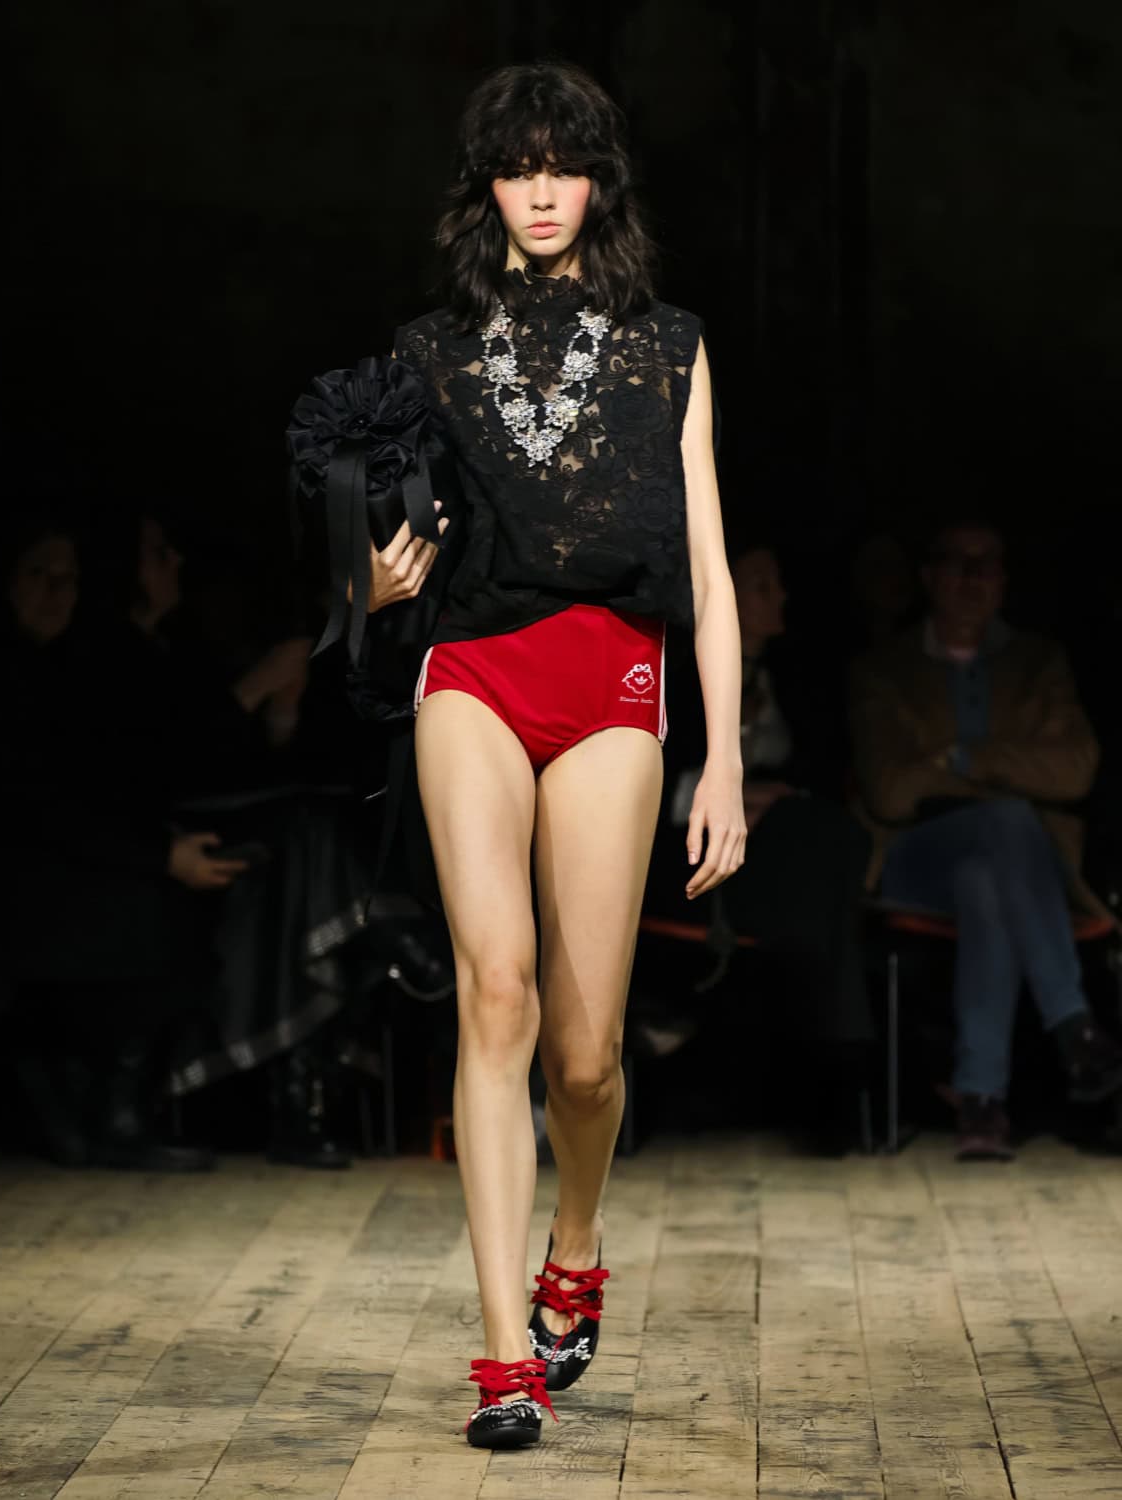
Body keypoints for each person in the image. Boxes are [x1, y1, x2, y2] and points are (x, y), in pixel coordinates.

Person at [338, 62, 747, 1447]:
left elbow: (708, 569)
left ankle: (575, 1244)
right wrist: (365, 587)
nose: (542, 191)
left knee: (583, 1058)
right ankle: (504, 1356)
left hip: (614, 680)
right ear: (488, 189)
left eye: (562, 165)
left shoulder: (671, 346)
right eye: (517, 168)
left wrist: (724, 760)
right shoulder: (427, 351)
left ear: (597, 182)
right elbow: (369, 545)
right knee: (496, 993)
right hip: (474, 671)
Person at [848, 515, 1122, 1160]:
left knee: (986, 877)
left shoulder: (1038, 662)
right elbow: (890, 790)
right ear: (929, 576)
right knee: (1007, 821)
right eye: (957, 562)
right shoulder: (884, 668)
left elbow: (1075, 769)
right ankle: (1074, 1025)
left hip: (1024, 868)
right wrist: (1010, 776)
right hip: (916, 856)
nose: (972, 578)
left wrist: (960, 760)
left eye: (987, 563)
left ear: (1004, 579)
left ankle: (980, 1102)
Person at [649, 540, 873, 1150]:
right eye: (760, 585)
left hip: (787, 853)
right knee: (824, 868)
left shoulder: (799, 681)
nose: (780, 597)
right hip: (693, 855)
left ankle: (828, 1066)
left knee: (824, 842)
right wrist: (724, 796)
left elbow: (827, 774)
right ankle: (841, 1066)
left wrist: (772, 797)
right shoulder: (674, 677)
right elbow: (647, 781)